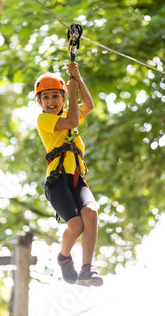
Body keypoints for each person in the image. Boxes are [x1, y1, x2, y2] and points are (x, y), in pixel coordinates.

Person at [34, 62, 103, 287]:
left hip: (77, 179)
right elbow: (72, 121)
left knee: (91, 213)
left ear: (62, 99)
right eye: (46, 98)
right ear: (40, 102)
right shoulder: (44, 120)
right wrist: (72, 93)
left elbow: (89, 105)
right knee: (76, 226)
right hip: (57, 181)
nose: (51, 101)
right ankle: (64, 257)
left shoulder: (67, 109)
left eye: (56, 96)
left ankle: (87, 268)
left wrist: (78, 78)